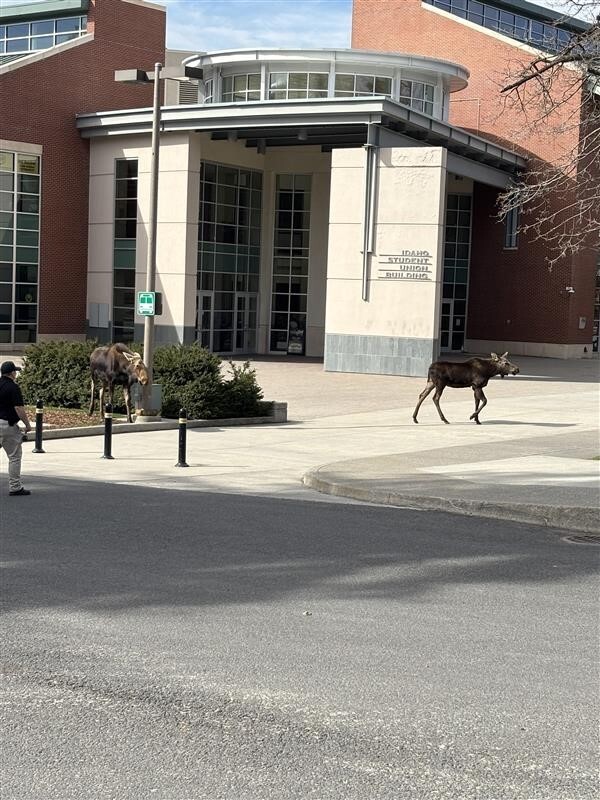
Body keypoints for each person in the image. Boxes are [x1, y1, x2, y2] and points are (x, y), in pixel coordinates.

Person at [0, 360, 32, 496]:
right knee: (14, 456)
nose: (16, 374)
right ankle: (15, 487)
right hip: (8, 425)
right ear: (12, 373)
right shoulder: (13, 388)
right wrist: (27, 424)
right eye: (15, 372)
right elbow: (18, 408)